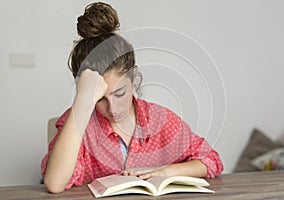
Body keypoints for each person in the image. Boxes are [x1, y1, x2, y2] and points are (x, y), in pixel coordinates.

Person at [41, 2, 223, 193]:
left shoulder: (160, 120)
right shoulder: (78, 123)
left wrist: (166, 171)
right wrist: (82, 100)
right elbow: (55, 183)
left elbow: (211, 160)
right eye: (100, 99)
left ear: (133, 77)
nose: (113, 108)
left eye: (119, 93)